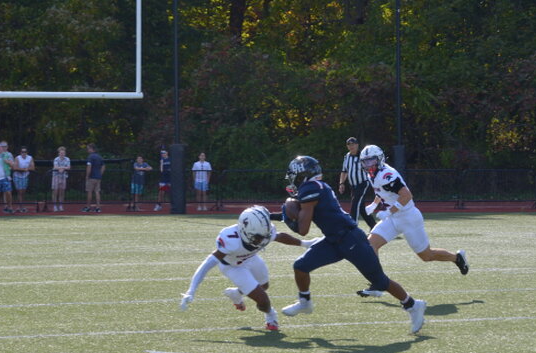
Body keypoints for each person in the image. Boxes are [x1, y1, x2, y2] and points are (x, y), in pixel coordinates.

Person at [278, 155, 427, 334]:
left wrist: (289, 218)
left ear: (303, 175)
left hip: (351, 239)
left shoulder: (310, 189)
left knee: (380, 281)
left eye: (295, 175)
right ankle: (305, 302)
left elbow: (303, 229)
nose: (293, 179)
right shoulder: (317, 186)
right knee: (301, 266)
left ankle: (413, 305)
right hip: (333, 240)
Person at [180, 205, 319, 331]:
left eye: (264, 236)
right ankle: (271, 315)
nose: (262, 240)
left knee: (264, 286)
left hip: (251, 258)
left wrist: (305, 244)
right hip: (233, 267)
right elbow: (207, 264)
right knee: (263, 300)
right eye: (258, 237)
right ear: (244, 230)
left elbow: (279, 236)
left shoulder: (263, 231)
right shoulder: (231, 240)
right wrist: (191, 290)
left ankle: (236, 293)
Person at [355, 145, 469, 297]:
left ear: (379, 159)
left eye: (371, 161)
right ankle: (378, 282)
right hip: (394, 218)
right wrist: (374, 204)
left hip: (408, 217)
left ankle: (457, 258)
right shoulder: (374, 174)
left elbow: (407, 195)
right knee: (371, 245)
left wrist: (389, 211)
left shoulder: (387, 174)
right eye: (365, 161)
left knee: (426, 256)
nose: (367, 164)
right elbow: (382, 190)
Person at [338, 137, 376, 229]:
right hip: (353, 186)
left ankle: (352, 228)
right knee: (361, 208)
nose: (351, 146)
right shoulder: (347, 156)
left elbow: (372, 169)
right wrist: (341, 183)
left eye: (353, 144)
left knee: (355, 205)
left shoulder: (363, 156)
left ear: (357, 145)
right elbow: (344, 171)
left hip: (363, 183)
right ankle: (375, 227)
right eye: (349, 144)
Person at [82, 143, 105, 213]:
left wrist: (87, 176)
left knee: (89, 192)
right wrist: (100, 174)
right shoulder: (99, 157)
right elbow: (103, 166)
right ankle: (98, 207)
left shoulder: (90, 157)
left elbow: (89, 167)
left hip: (91, 177)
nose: (87, 150)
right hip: (98, 177)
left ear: (91, 149)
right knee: (97, 192)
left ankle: (88, 207)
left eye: (88, 148)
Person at [12, 146, 34, 213]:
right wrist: (24, 169)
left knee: (23, 192)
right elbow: (15, 168)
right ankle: (20, 207)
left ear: (27, 152)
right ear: (20, 152)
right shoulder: (17, 158)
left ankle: (22, 206)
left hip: (25, 176)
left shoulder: (30, 158)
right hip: (17, 176)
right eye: (22, 152)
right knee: (19, 191)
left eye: (25, 152)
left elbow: (32, 167)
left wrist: (27, 169)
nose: (24, 153)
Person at [51, 146, 70, 212]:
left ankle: (61, 205)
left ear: (65, 153)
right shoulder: (56, 159)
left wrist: (62, 168)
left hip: (63, 176)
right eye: (61, 153)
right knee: (55, 191)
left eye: (63, 153)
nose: (62, 154)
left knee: (62, 192)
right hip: (56, 176)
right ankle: (55, 206)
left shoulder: (67, 159)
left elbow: (68, 167)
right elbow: (55, 167)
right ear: (59, 153)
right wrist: (62, 168)